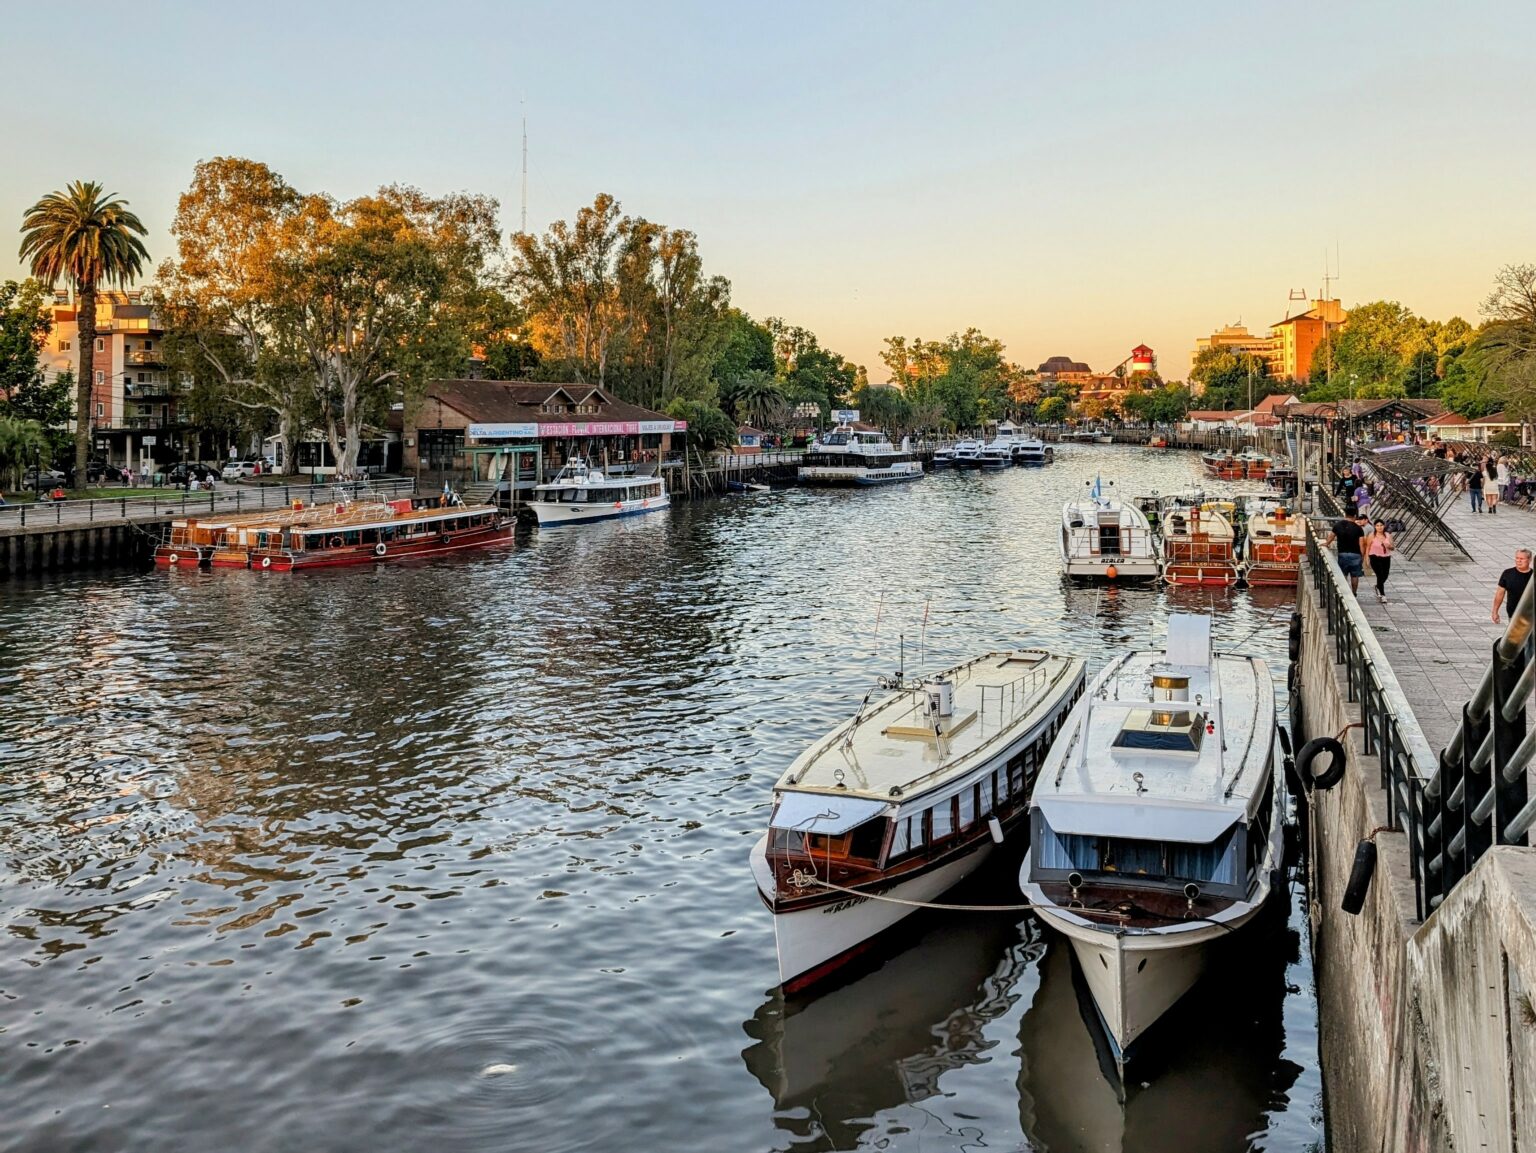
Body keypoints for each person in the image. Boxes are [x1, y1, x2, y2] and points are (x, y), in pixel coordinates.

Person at [1325, 510, 1370, 595]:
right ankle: (1354, 593)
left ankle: (1344, 593)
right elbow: (1361, 544)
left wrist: (1327, 543)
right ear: (1354, 516)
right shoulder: (1358, 528)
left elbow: (1331, 536)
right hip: (1356, 554)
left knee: (1343, 574)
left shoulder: (1338, 525)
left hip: (1342, 554)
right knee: (1355, 576)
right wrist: (1362, 556)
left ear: (1345, 515)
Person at [1494, 549, 1534, 622]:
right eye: (1517, 558)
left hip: (1531, 616)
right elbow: (1500, 593)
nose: (1518, 561)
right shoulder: (1507, 573)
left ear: (1529, 560)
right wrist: (1495, 612)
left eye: (1522, 559)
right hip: (1513, 615)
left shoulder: (1533, 576)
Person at [1367, 518, 1394, 603]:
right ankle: (1383, 595)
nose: (1379, 527)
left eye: (1381, 525)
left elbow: (1393, 547)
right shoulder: (1372, 535)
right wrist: (1366, 559)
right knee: (1379, 574)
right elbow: (1368, 547)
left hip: (1386, 557)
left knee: (1385, 575)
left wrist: (1389, 546)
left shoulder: (1388, 535)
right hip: (1374, 556)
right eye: (1377, 526)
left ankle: (1378, 586)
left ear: (1384, 526)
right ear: (1375, 527)